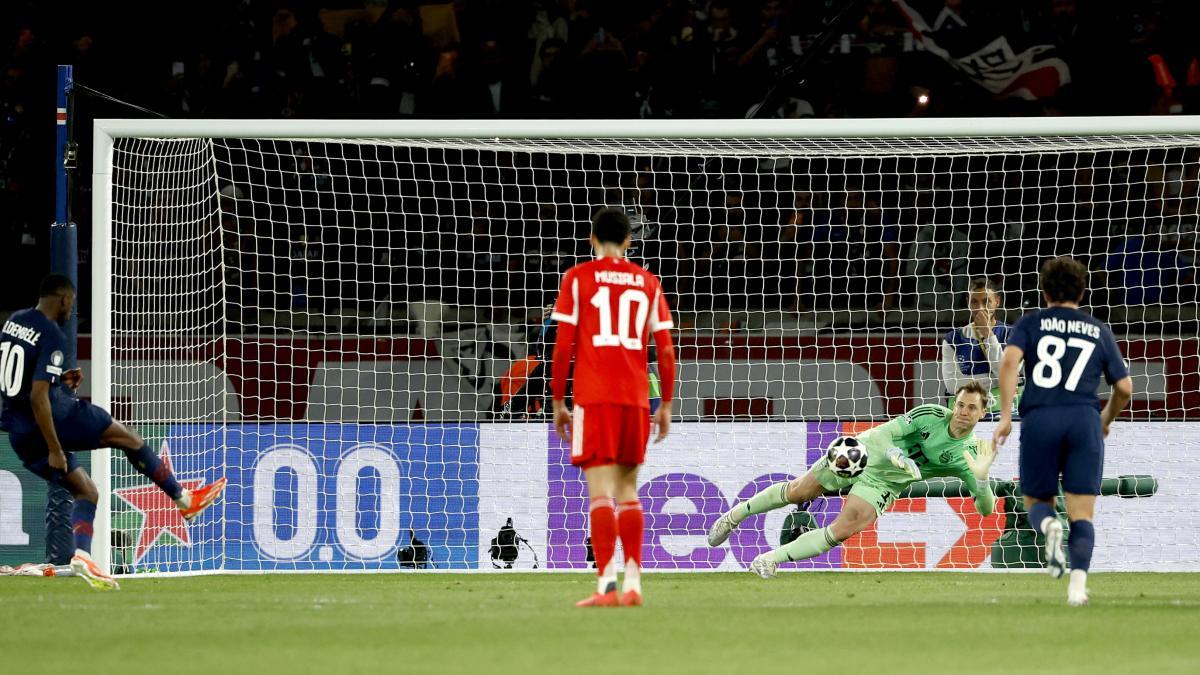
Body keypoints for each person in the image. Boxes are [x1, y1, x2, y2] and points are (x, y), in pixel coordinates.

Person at [0, 275, 227, 591]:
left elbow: (19, 379)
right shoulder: (51, 333)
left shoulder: (14, 322)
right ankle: (183, 498)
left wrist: (60, 379)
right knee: (130, 439)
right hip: (53, 418)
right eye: (73, 303)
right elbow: (39, 397)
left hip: (20, 433)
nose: (72, 309)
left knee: (87, 492)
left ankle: (81, 555)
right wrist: (54, 447)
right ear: (64, 300)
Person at [708, 381, 997, 577]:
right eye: (960, 404)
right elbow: (884, 432)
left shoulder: (970, 456)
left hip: (885, 483)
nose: (962, 412)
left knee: (844, 529)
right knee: (799, 491)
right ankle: (733, 517)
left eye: (971, 408)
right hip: (865, 452)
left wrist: (981, 482)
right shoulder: (931, 414)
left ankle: (770, 560)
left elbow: (986, 511)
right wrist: (895, 453)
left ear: (983, 413)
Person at [550, 207, 677, 607]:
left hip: (594, 397)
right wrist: (667, 403)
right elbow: (667, 350)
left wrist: (557, 400)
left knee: (600, 493)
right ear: (628, 241)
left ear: (591, 238)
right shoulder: (648, 282)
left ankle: (606, 585)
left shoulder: (577, 278)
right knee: (629, 490)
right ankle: (635, 582)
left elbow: (563, 346)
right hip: (636, 399)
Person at [994, 257, 1133, 606]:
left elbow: (1009, 362)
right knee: (1082, 514)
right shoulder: (1098, 329)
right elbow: (1126, 388)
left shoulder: (1031, 323)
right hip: (1084, 420)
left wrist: (1006, 415)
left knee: (1037, 503)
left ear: (1044, 292)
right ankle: (1077, 589)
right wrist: (1106, 420)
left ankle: (1047, 528)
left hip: (1041, 418)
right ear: (1083, 291)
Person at [941, 277, 1020, 419]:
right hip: (965, 418)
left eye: (986, 301)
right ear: (967, 303)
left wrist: (988, 334)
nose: (980, 308)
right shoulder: (953, 339)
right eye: (974, 302)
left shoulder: (1013, 334)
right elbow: (953, 385)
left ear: (997, 301)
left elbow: (1009, 377)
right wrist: (994, 381)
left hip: (1007, 416)